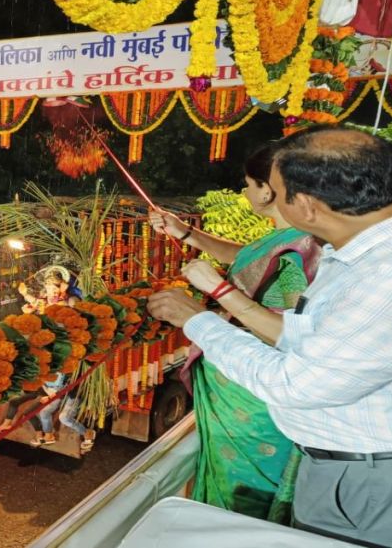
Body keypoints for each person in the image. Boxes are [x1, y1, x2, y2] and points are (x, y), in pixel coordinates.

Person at [148, 127, 392, 548]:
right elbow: (309, 335)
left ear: (307, 206)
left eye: (275, 190)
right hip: (356, 471)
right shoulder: (361, 257)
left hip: (380, 483)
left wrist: (199, 320)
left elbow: (295, 384)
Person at [148, 142, 321, 523]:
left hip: (251, 400)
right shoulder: (288, 239)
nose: (244, 192)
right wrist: (185, 233)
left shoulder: (295, 253)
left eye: (247, 184)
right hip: (242, 391)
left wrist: (218, 293)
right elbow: (245, 256)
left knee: (239, 502)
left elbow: (288, 332)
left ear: (267, 189)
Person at [29, 373, 67, 447]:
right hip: (46, 392)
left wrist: (49, 397)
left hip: (56, 395)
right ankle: (40, 435)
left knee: (44, 412)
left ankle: (48, 436)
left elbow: (63, 388)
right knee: (29, 412)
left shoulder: (63, 373)